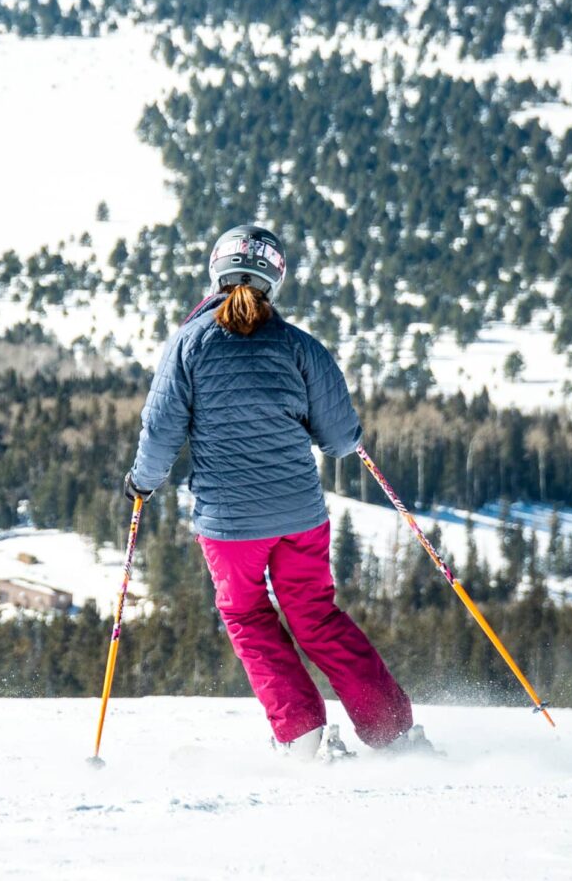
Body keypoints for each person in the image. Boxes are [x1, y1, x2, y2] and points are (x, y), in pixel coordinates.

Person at [123, 224, 428, 761]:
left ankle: (303, 736)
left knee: (248, 618)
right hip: (299, 516)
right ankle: (393, 733)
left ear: (216, 270)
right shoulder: (299, 347)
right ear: (276, 278)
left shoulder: (188, 345)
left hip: (230, 525)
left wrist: (142, 483)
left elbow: (161, 430)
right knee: (315, 616)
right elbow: (338, 440)